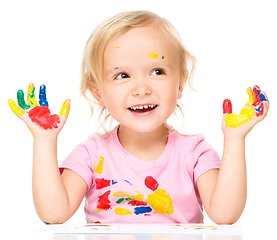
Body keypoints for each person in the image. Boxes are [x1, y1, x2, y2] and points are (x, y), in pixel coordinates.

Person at [8, 10, 269, 225]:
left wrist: (234, 140)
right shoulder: (91, 154)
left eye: (157, 70)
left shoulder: (195, 152)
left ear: (180, 84)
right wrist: (44, 140)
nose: (141, 88)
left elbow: (225, 215)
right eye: (122, 75)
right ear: (97, 92)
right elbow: (53, 214)